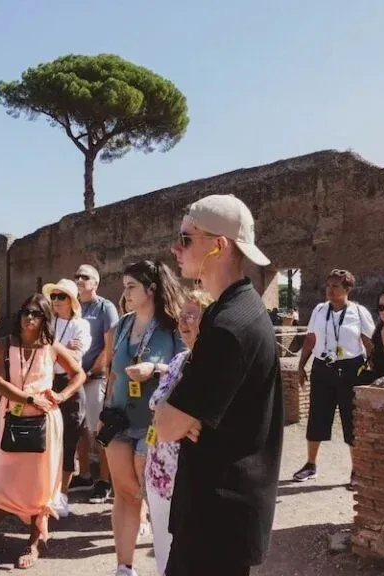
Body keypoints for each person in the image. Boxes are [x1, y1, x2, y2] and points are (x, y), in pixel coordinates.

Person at [156, 193, 284, 576]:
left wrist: (180, 415)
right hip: (218, 513)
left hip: (216, 519)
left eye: (185, 238)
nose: (175, 248)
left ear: (218, 245)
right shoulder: (235, 310)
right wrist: (184, 415)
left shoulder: (229, 325)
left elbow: (165, 425)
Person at [0, 294, 85, 569]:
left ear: (44, 319)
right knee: (1, 479)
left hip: (45, 422)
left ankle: (34, 542)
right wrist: (28, 399)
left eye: (36, 314)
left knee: (40, 483)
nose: (29, 318)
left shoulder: (51, 347)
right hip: (12, 417)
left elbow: (79, 374)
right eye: (26, 312)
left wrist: (61, 396)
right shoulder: (4, 344)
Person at [103, 260, 186, 576]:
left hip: (154, 425)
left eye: (131, 286)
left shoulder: (172, 325)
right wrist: (105, 410)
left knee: (154, 497)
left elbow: (185, 367)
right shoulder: (123, 324)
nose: (124, 293)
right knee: (124, 495)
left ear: (151, 288)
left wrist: (156, 369)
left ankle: (168, 566)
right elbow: (112, 373)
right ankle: (124, 568)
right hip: (119, 421)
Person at [145, 289, 213, 576]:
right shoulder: (178, 360)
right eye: (181, 316)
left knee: (188, 556)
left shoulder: (213, 366)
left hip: (187, 478)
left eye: (192, 316)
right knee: (163, 550)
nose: (183, 322)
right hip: (159, 474)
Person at [293, 269, 375, 488]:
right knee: (317, 415)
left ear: (347, 289)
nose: (330, 290)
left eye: (335, 286)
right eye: (328, 285)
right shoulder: (319, 310)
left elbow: (370, 342)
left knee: (351, 419)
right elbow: (311, 339)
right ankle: (311, 465)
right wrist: (301, 366)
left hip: (350, 368)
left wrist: (373, 369)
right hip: (323, 367)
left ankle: (357, 470)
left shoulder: (358, 312)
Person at [41, 278, 92, 517]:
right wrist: (63, 349)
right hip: (49, 383)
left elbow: (75, 355)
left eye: (61, 297)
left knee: (68, 442)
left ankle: (62, 495)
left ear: (71, 301)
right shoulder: (49, 323)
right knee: (48, 440)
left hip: (70, 384)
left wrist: (58, 350)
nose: (56, 301)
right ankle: (47, 492)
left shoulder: (80, 325)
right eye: (54, 296)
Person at [73, 264, 119, 503]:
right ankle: (84, 474)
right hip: (74, 378)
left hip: (94, 377)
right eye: (77, 276)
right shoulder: (74, 307)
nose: (80, 280)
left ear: (96, 283)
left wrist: (91, 372)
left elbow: (109, 346)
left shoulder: (106, 308)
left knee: (99, 430)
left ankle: (104, 480)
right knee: (79, 428)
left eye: (85, 276)